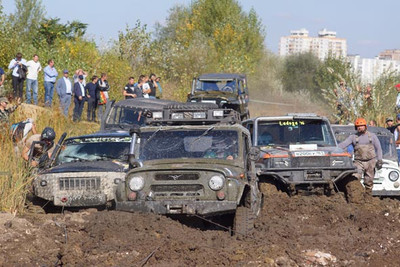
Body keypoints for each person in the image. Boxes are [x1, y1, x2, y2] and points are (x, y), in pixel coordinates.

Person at [338, 118, 383, 196]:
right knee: (355, 178)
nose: (360, 128)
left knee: (369, 181)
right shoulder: (353, 137)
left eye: (361, 126)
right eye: (358, 126)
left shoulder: (372, 136)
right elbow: (343, 145)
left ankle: (368, 196)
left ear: (365, 126)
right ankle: (356, 196)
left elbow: (378, 148)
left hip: (370, 161)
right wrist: (333, 148)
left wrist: (379, 160)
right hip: (358, 162)